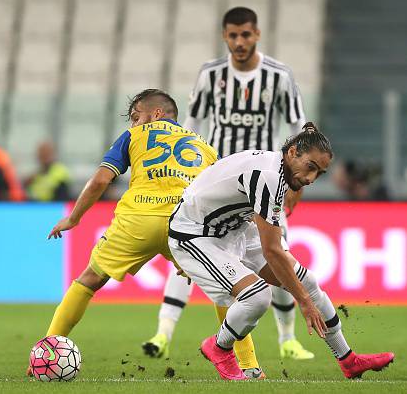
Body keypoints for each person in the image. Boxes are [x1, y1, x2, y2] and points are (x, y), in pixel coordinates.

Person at [143, 7, 312, 369]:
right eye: (233, 35)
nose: (240, 42)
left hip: (267, 184)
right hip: (218, 183)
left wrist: (295, 189)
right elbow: (189, 126)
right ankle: (163, 333)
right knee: (188, 260)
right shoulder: (210, 74)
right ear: (225, 36)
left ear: (257, 34)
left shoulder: (280, 76)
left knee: (277, 256)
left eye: (246, 35)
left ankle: (288, 339)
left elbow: (300, 130)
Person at [167, 124, 394, 380]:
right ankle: (219, 348)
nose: (310, 179)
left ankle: (348, 360)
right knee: (258, 297)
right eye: (310, 168)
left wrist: (304, 295)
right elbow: (272, 251)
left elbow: (272, 249)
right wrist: (305, 302)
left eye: (319, 173)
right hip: (196, 234)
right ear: (293, 152)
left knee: (306, 281)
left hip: (233, 228)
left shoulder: (279, 169)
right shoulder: (269, 177)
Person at [27, 89, 218, 375]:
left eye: (135, 117)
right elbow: (219, 193)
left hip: (137, 219)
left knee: (89, 280)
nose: (132, 124)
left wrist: (74, 218)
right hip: (184, 223)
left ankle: (47, 352)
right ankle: (247, 364)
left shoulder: (134, 137)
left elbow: (100, 180)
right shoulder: (204, 146)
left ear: (155, 114)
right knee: (224, 290)